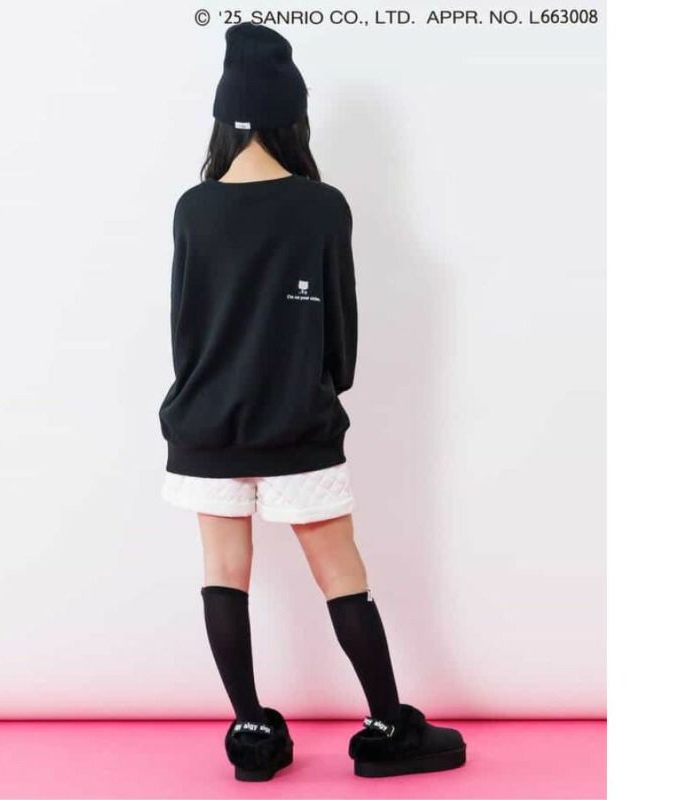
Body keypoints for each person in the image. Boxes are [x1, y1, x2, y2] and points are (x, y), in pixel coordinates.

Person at [159, 21, 466, 781]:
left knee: (222, 569)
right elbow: (340, 336)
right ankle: (388, 726)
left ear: (223, 119)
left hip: (203, 426)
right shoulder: (322, 207)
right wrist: (312, 386)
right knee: (340, 571)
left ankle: (251, 732)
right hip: (296, 424)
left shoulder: (193, 208)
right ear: (294, 118)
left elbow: (184, 332)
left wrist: (213, 394)